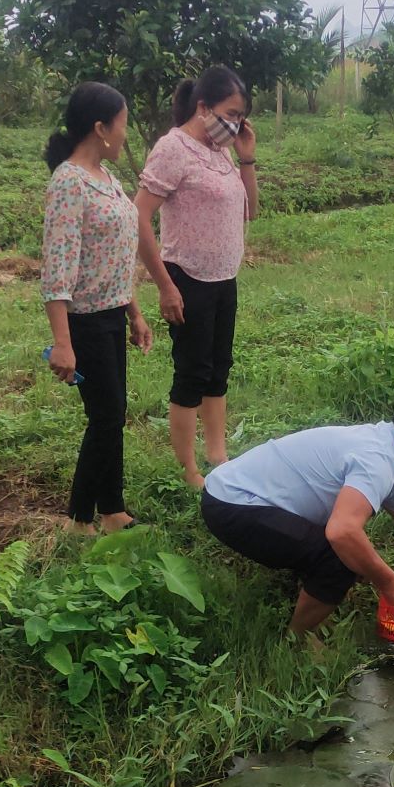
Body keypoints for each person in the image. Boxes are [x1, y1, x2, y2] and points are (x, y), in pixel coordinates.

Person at [200, 396, 394, 636]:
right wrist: (388, 581)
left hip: (237, 493)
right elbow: (342, 532)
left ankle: (309, 600)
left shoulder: (387, 454)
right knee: (340, 559)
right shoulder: (377, 461)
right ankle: (298, 640)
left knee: (352, 553)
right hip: (233, 503)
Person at [135, 65, 259, 488]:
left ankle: (218, 455)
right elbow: (139, 216)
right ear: (203, 107)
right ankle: (188, 470)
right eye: (230, 113)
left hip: (224, 278)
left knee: (218, 368)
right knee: (191, 372)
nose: (235, 123)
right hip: (187, 277)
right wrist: (165, 286)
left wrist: (246, 157)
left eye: (241, 116)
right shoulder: (174, 149)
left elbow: (250, 210)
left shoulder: (221, 151)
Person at [41, 82, 155, 533]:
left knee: (113, 413)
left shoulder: (108, 180)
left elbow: (116, 255)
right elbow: (58, 268)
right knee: (106, 415)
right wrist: (62, 343)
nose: (126, 133)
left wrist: (135, 313)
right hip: (84, 321)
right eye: (123, 124)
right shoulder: (69, 183)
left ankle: (112, 508)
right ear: (100, 128)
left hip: (112, 315)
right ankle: (79, 518)